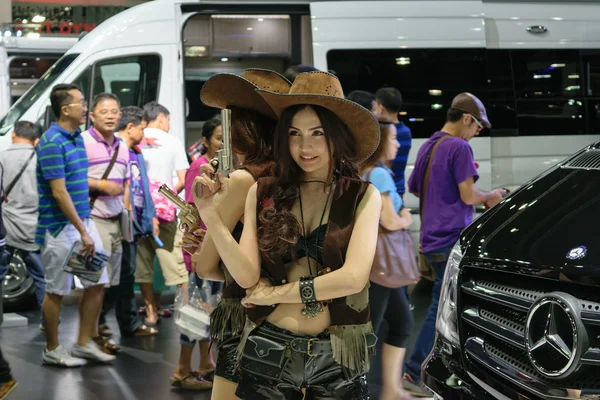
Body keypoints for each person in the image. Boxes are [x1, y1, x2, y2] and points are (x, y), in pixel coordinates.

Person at [193, 71, 382, 399]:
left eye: (317, 133)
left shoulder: (362, 196)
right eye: (295, 133)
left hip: (337, 357)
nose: (305, 146)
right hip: (268, 349)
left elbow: (352, 278)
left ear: (336, 135)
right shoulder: (263, 191)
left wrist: (274, 294)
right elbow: (247, 275)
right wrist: (210, 213)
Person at [177, 69, 292, 397]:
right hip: (290, 312)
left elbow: (207, 267)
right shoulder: (291, 175)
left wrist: (205, 245)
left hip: (244, 314)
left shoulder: (244, 179)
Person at [403, 93, 505, 395]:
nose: (477, 133)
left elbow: (415, 189)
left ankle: (444, 368)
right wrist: (492, 195)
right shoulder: (458, 146)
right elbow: (468, 196)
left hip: (430, 238)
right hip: (450, 238)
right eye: (477, 127)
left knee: (448, 305)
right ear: (466, 119)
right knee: (441, 308)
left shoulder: (429, 145)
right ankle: (413, 371)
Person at [37, 83, 115, 366]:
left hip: (82, 222)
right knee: (57, 289)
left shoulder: (75, 138)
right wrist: (83, 231)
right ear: (64, 108)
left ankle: (83, 342)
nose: (85, 107)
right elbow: (59, 192)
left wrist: (85, 227)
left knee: (98, 282)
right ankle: (52, 349)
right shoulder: (51, 142)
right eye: (81, 103)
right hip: (59, 228)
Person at [171, 115, 223, 391]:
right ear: (205, 141)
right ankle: (181, 368)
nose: (223, 143)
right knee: (195, 310)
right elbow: (191, 213)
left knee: (207, 310)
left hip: (214, 250)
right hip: (202, 252)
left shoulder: (218, 168)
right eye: (218, 138)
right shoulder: (199, 167)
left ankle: (206, 364)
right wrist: (196, 254)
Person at [362, 120, 414, 400]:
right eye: (393, 139)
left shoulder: (368, 171)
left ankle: (391, 390)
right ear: (380, 141)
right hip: (381, 265)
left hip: (380, 266)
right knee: (370, 330)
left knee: (401, 323)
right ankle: (368, 390)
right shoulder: (379, 174)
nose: (397, 144)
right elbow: (389, 220)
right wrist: (405, 217)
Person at [82, 93, 130, 353]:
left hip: (115, 220)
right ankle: (89, 339)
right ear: (92, 115)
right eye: (104, 111)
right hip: (93, 219)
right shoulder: (83, 142)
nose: (111, 115)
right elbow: (70, 179)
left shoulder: (122, 146)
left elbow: (125, 185)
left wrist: (126, 214)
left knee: (109, 283)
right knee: (96, 283)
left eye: (115, 111)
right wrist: (101, 185)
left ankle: (94, 332)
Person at [136, 102, 189, 327]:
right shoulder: (173, 142)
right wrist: (164, 200)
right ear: (161, 118)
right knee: (176, 267)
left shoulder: (133, 139)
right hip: (167, 215)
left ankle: (151, 312)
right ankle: (186, 314)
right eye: (168, 120)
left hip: (139, 214)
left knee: (144, 265)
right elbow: (183, 180)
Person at [112, 106, 158, 337]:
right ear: (130, 127)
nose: (144, 134)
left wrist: (148, 217)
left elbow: (142, 189)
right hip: (119, 220)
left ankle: (126, 322)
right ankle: (108, 323)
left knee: (127, 273)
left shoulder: (136, 152)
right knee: (119, 274)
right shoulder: (116, 150)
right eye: (141, 128)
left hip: (132, 221)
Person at [0, 121, 45, 313]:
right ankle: (49, 322)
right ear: (36, 141)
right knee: (42, 278)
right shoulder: (41, 160)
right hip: (33, 231)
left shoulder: (2, 158)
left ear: (13, 136)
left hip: (6, 228)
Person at [374, 87, 411, 197]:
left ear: (381, 108)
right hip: (399, 190)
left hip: (381, 189)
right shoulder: (406, 132)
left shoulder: (380, 131)